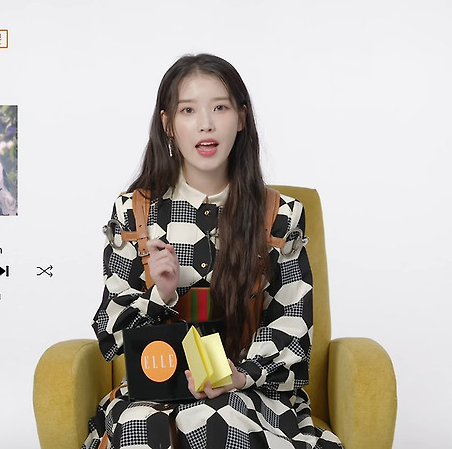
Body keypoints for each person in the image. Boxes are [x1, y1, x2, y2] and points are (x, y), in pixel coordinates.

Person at [84, 54, 343, 449]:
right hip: (154, 392)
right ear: (168, 124)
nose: (205, 123)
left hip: (249, 391)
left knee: (216, 422)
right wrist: (161, 294)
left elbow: (293, 324)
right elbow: (112, 333)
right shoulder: (134, 212)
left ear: (241, 118)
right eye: (188, 110)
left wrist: (239, 375)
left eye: (220, 107)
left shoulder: (280, 215)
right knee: (142, 427)